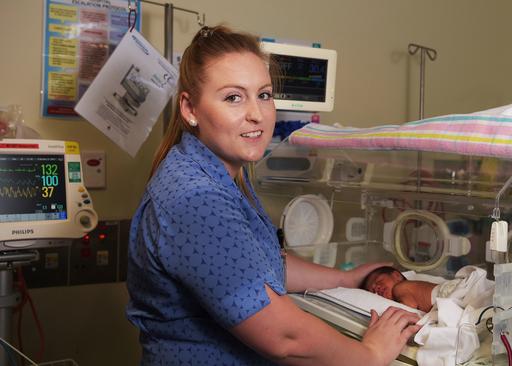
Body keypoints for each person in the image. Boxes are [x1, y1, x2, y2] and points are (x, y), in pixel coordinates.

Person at [126, 25, 421, 365]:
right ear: (190, 109)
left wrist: (345, 278)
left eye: (263, 95)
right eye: (233, 97)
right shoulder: (196, 198)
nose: (257, 113)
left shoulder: (221, 172)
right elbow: (282, 336)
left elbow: (259, 266)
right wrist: (369, 355)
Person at [362, 266, 438, 312]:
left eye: (379, 281)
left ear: (396, 276)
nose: (376, 288)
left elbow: (408, 308)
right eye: (373, 291)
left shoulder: (400, 287)